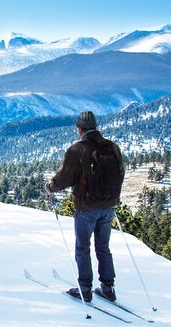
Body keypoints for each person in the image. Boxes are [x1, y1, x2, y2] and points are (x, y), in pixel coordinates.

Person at [43, 111, 124, 303]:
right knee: (103, 247)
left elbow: (64, 178)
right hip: (109, 205)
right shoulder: (112, 147)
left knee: (83, 248)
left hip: (87, 206)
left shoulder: (77, 149)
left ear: (79, 129)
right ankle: (108, 287)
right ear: (95, 127)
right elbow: (120, 172)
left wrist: (49, 187)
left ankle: (85, 289)